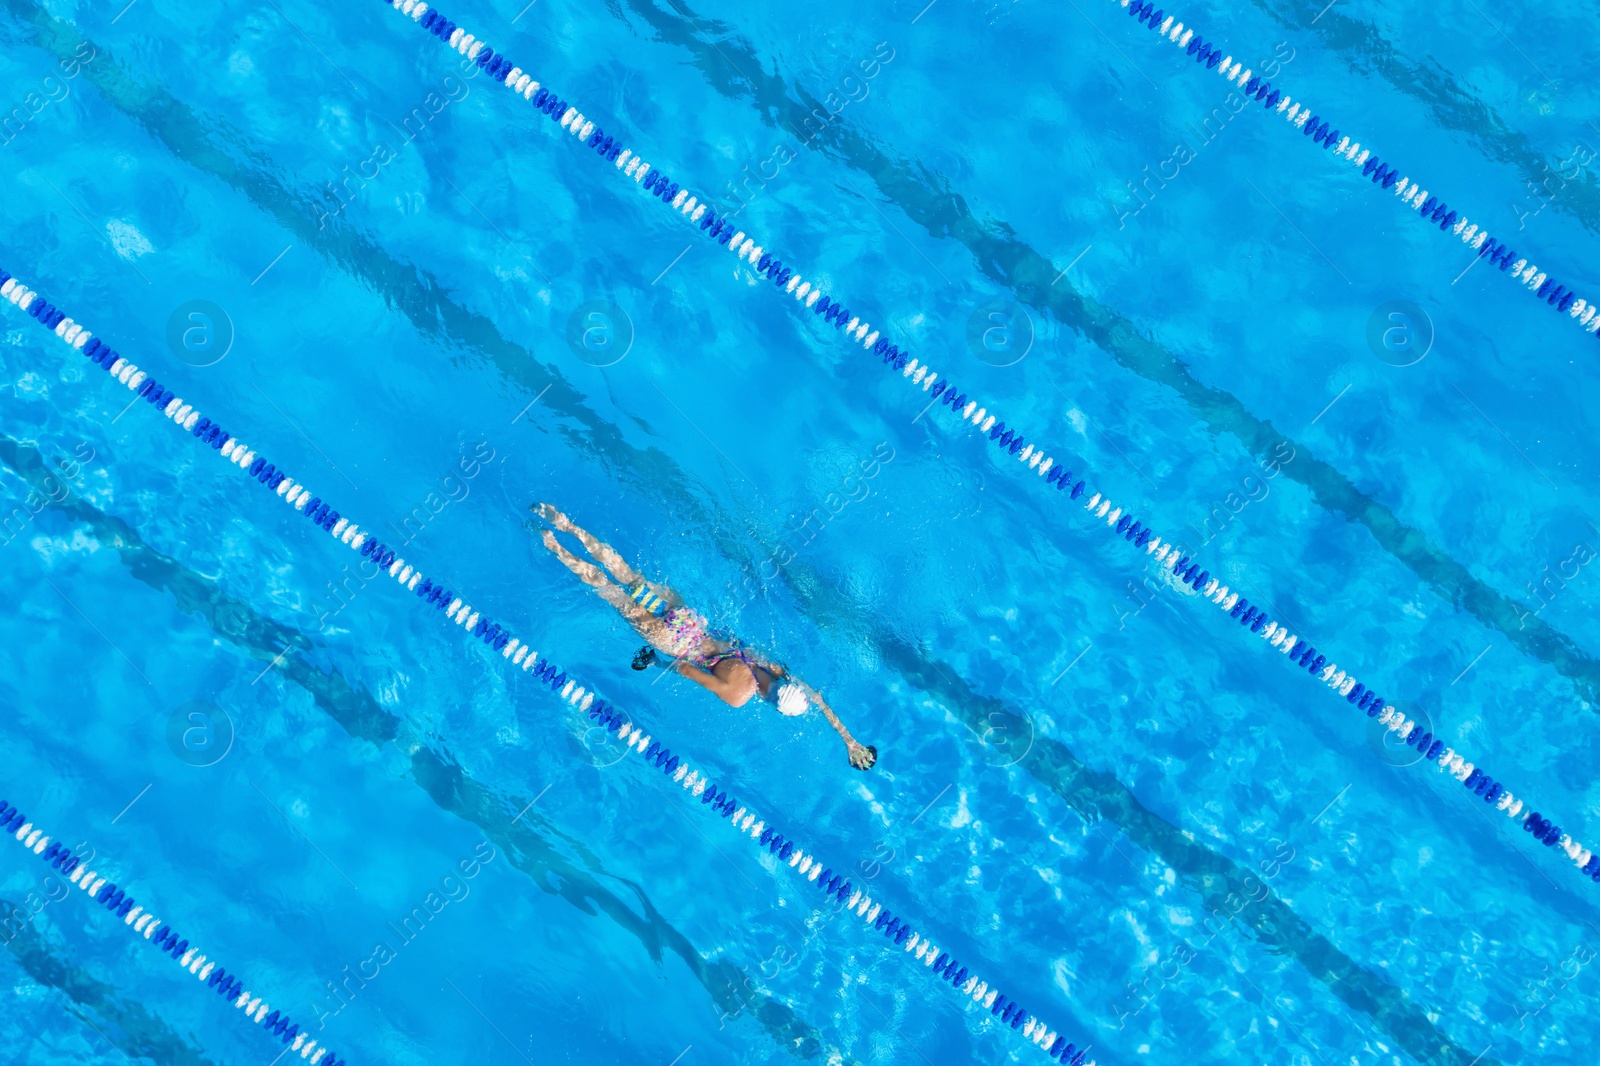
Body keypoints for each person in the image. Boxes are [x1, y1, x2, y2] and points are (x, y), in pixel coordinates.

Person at [532, 503, 877, 770]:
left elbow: (816, 698)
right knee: (609, 590)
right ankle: (553, 544)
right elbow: (685, 669)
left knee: (628, 575)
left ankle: (566, 524)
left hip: (690, 622)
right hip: (671, 640)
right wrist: (654, 664)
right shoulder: (740, 695)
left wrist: (848, 738)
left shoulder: (774, 668)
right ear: (773, 706)